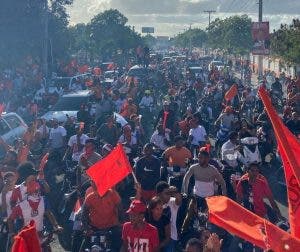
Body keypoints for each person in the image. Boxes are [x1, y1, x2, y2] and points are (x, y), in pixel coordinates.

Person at [81, 181, 122, 251]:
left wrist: (120, 224)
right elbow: (84, 213)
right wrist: (87, 228)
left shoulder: (114, 194)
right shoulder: (90, 197)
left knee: (119, 246)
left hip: (111, 228)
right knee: (83, 248)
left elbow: (121, 210)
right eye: (92, 182)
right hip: (95, 228)